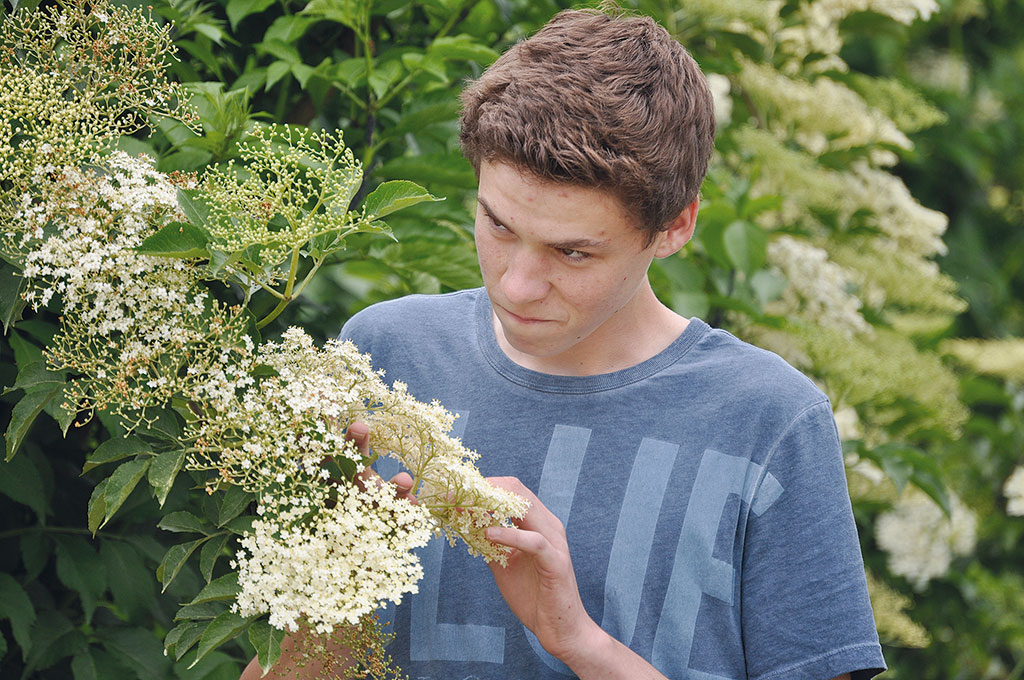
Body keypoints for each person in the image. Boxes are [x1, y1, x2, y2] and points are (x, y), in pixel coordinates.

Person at [244, 7, 886, 680]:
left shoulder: (770, 421)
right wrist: (326, 580)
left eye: (573, 253)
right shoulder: (382, 353)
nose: (518, 286)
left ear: (675, 227)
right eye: (496, 224)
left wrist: (580, 642)